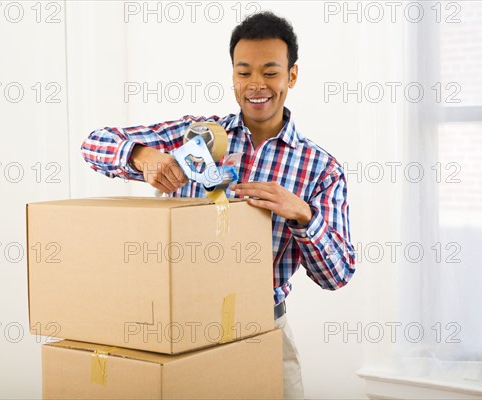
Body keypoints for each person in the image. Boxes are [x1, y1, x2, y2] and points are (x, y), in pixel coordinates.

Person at [81, 11, 356, 400]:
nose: (256, 84)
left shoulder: (320, 168)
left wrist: (302, 214)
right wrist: (146, 158)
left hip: (264, 331)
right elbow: (93, 144)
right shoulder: (197, 134)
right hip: (182, 330)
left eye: (270, 72)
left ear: (292, 76)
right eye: (244, 72)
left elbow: (338, 274)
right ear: (232, 76)